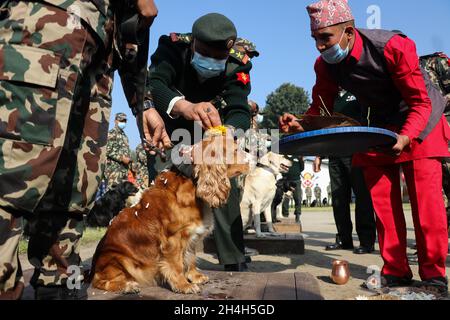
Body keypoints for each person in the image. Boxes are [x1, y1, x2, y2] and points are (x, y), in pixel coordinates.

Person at [280, 0, 449, 294]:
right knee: (382, 205)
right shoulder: (326, 65)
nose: (319, 47)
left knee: (427, 207)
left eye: (325, 38)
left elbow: (420, 103)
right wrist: (301, 124)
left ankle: (434, 275)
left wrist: (406, 137)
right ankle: (395, 271)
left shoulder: (394, 46)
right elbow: (321, 107)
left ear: (348, 31)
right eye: (315, 39)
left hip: (421, 121)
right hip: (378, 126)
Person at [0, 0, 160, 300]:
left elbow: (134, 30)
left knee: (76, 187)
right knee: (15, 176)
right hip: (44, 26)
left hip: (100, 56)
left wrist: (142, 104)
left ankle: (59, 283)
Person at [146, 13, 260, 272]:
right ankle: (157, 258)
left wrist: (227, 134)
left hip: (212, 132)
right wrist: (184, 106)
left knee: (222, 182)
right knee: (163, 192)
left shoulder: (237, 64)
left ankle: (232, 256)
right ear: (194, 42)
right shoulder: (172, 47)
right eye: (205, 53)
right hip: (170, 129)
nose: (212, 62)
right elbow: (156, 83)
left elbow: (239, 108)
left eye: (219, 57)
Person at [324, 90, 376, 255]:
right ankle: (344, 239)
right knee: (338, 198)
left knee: (362, 197)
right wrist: (320, 154)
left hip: (355, 151)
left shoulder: (356, 91)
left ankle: (366, 241)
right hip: (334, 152)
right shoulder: (329, 95)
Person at [104, 113, 133, 191]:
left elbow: (126, 152)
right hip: (114, 171)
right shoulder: (111, 133)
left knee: (121, 196)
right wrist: (121, 158)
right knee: (112, 194)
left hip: (124, 171)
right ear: (115, 121)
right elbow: (107, 150)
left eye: (124, 121)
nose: (123, 122)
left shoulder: (124, 136)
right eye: (121, 120)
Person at [282, 155, 304, 225]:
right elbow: (281, 168)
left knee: (298, 198)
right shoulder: (284, 157)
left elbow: (302, 168)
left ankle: (297, 215)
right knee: (286, 199)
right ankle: (285, 215)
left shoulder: (298, 156)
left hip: (296, 181)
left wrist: (300, 159)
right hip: (287, 181)